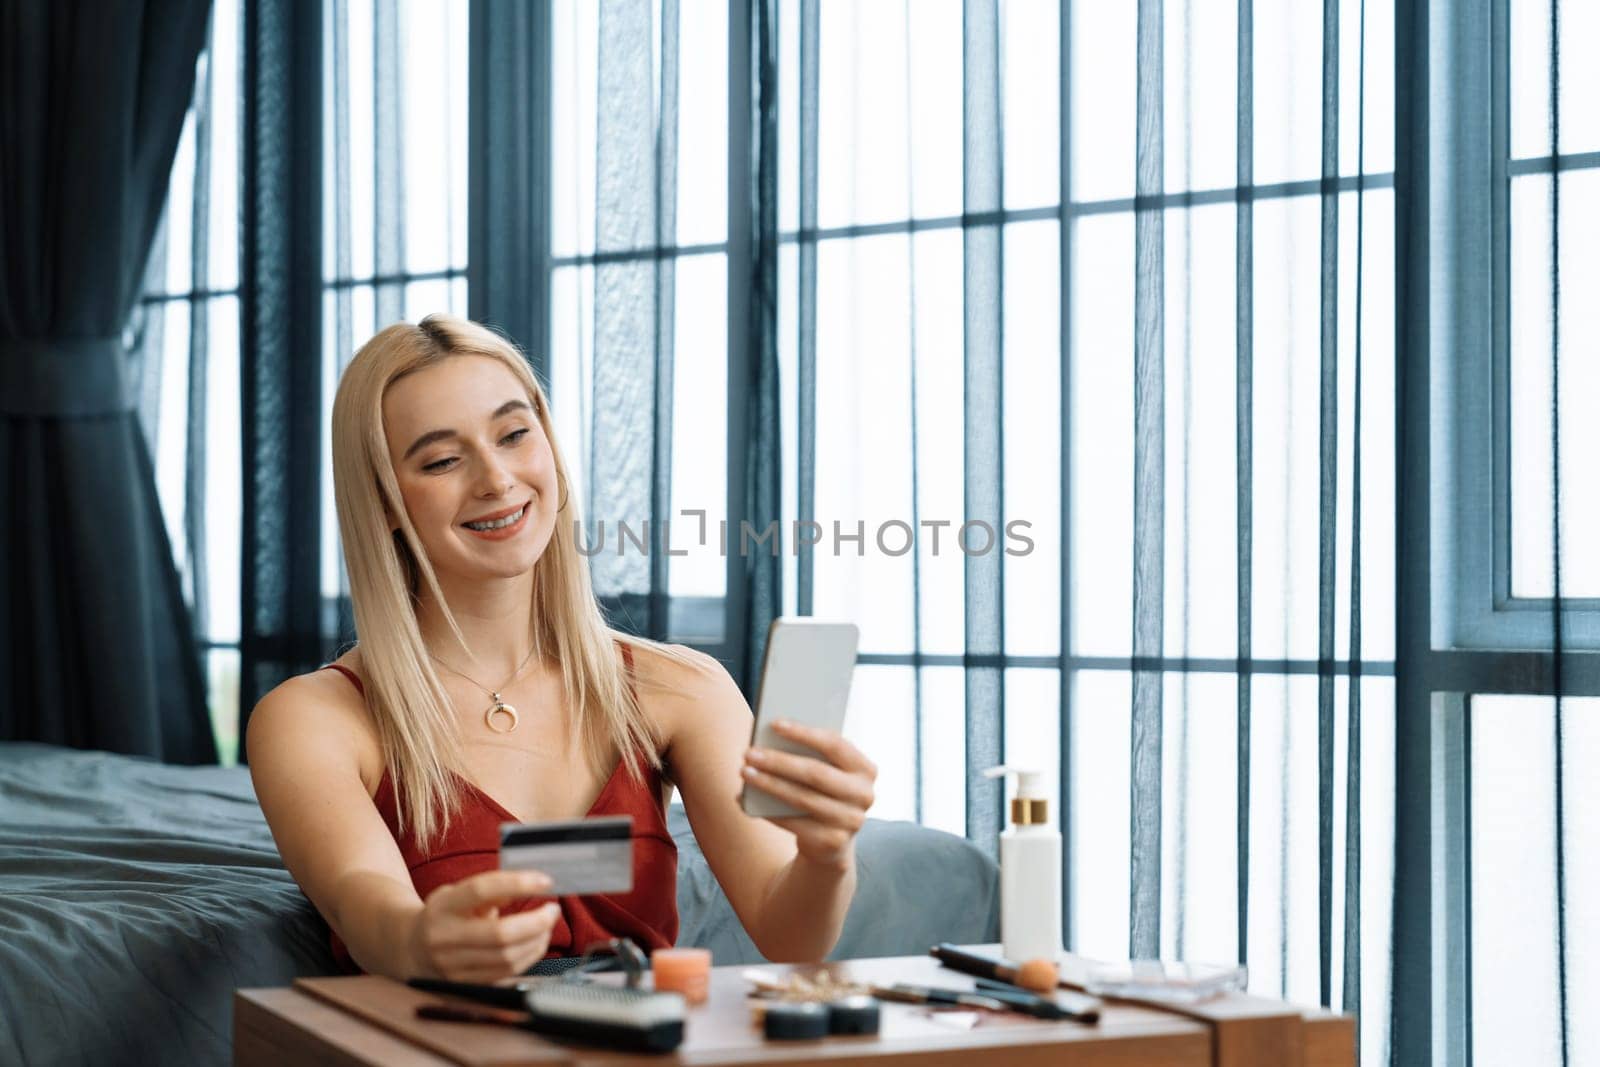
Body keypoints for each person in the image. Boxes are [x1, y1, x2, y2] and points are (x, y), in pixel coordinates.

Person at [247, 314, 876, 982]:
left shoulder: (682, 688)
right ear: (386, 502)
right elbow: (364, 905)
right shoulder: (313, 718)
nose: (496, 478)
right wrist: (422, 940)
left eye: (515, 434)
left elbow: (789, 931)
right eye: (442, 460)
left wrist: (827, 854)